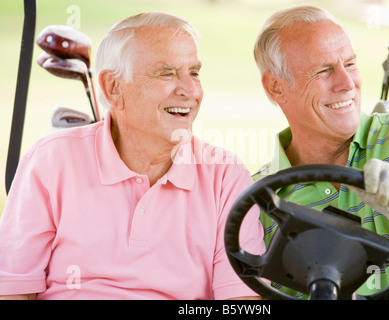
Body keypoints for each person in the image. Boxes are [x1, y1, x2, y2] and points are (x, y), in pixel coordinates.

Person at [0, 11, 266, 300]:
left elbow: (242, 301)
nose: (191, 90)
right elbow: (14, 290)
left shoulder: (226, 175)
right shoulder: (49, 161)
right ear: (113, 88)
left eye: (194, 72)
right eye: (166, 73)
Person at [252, 5, 389, 299]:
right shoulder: (259, 200)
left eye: (350, 64)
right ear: (276, 87)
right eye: (323, 70)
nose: (347, 84)